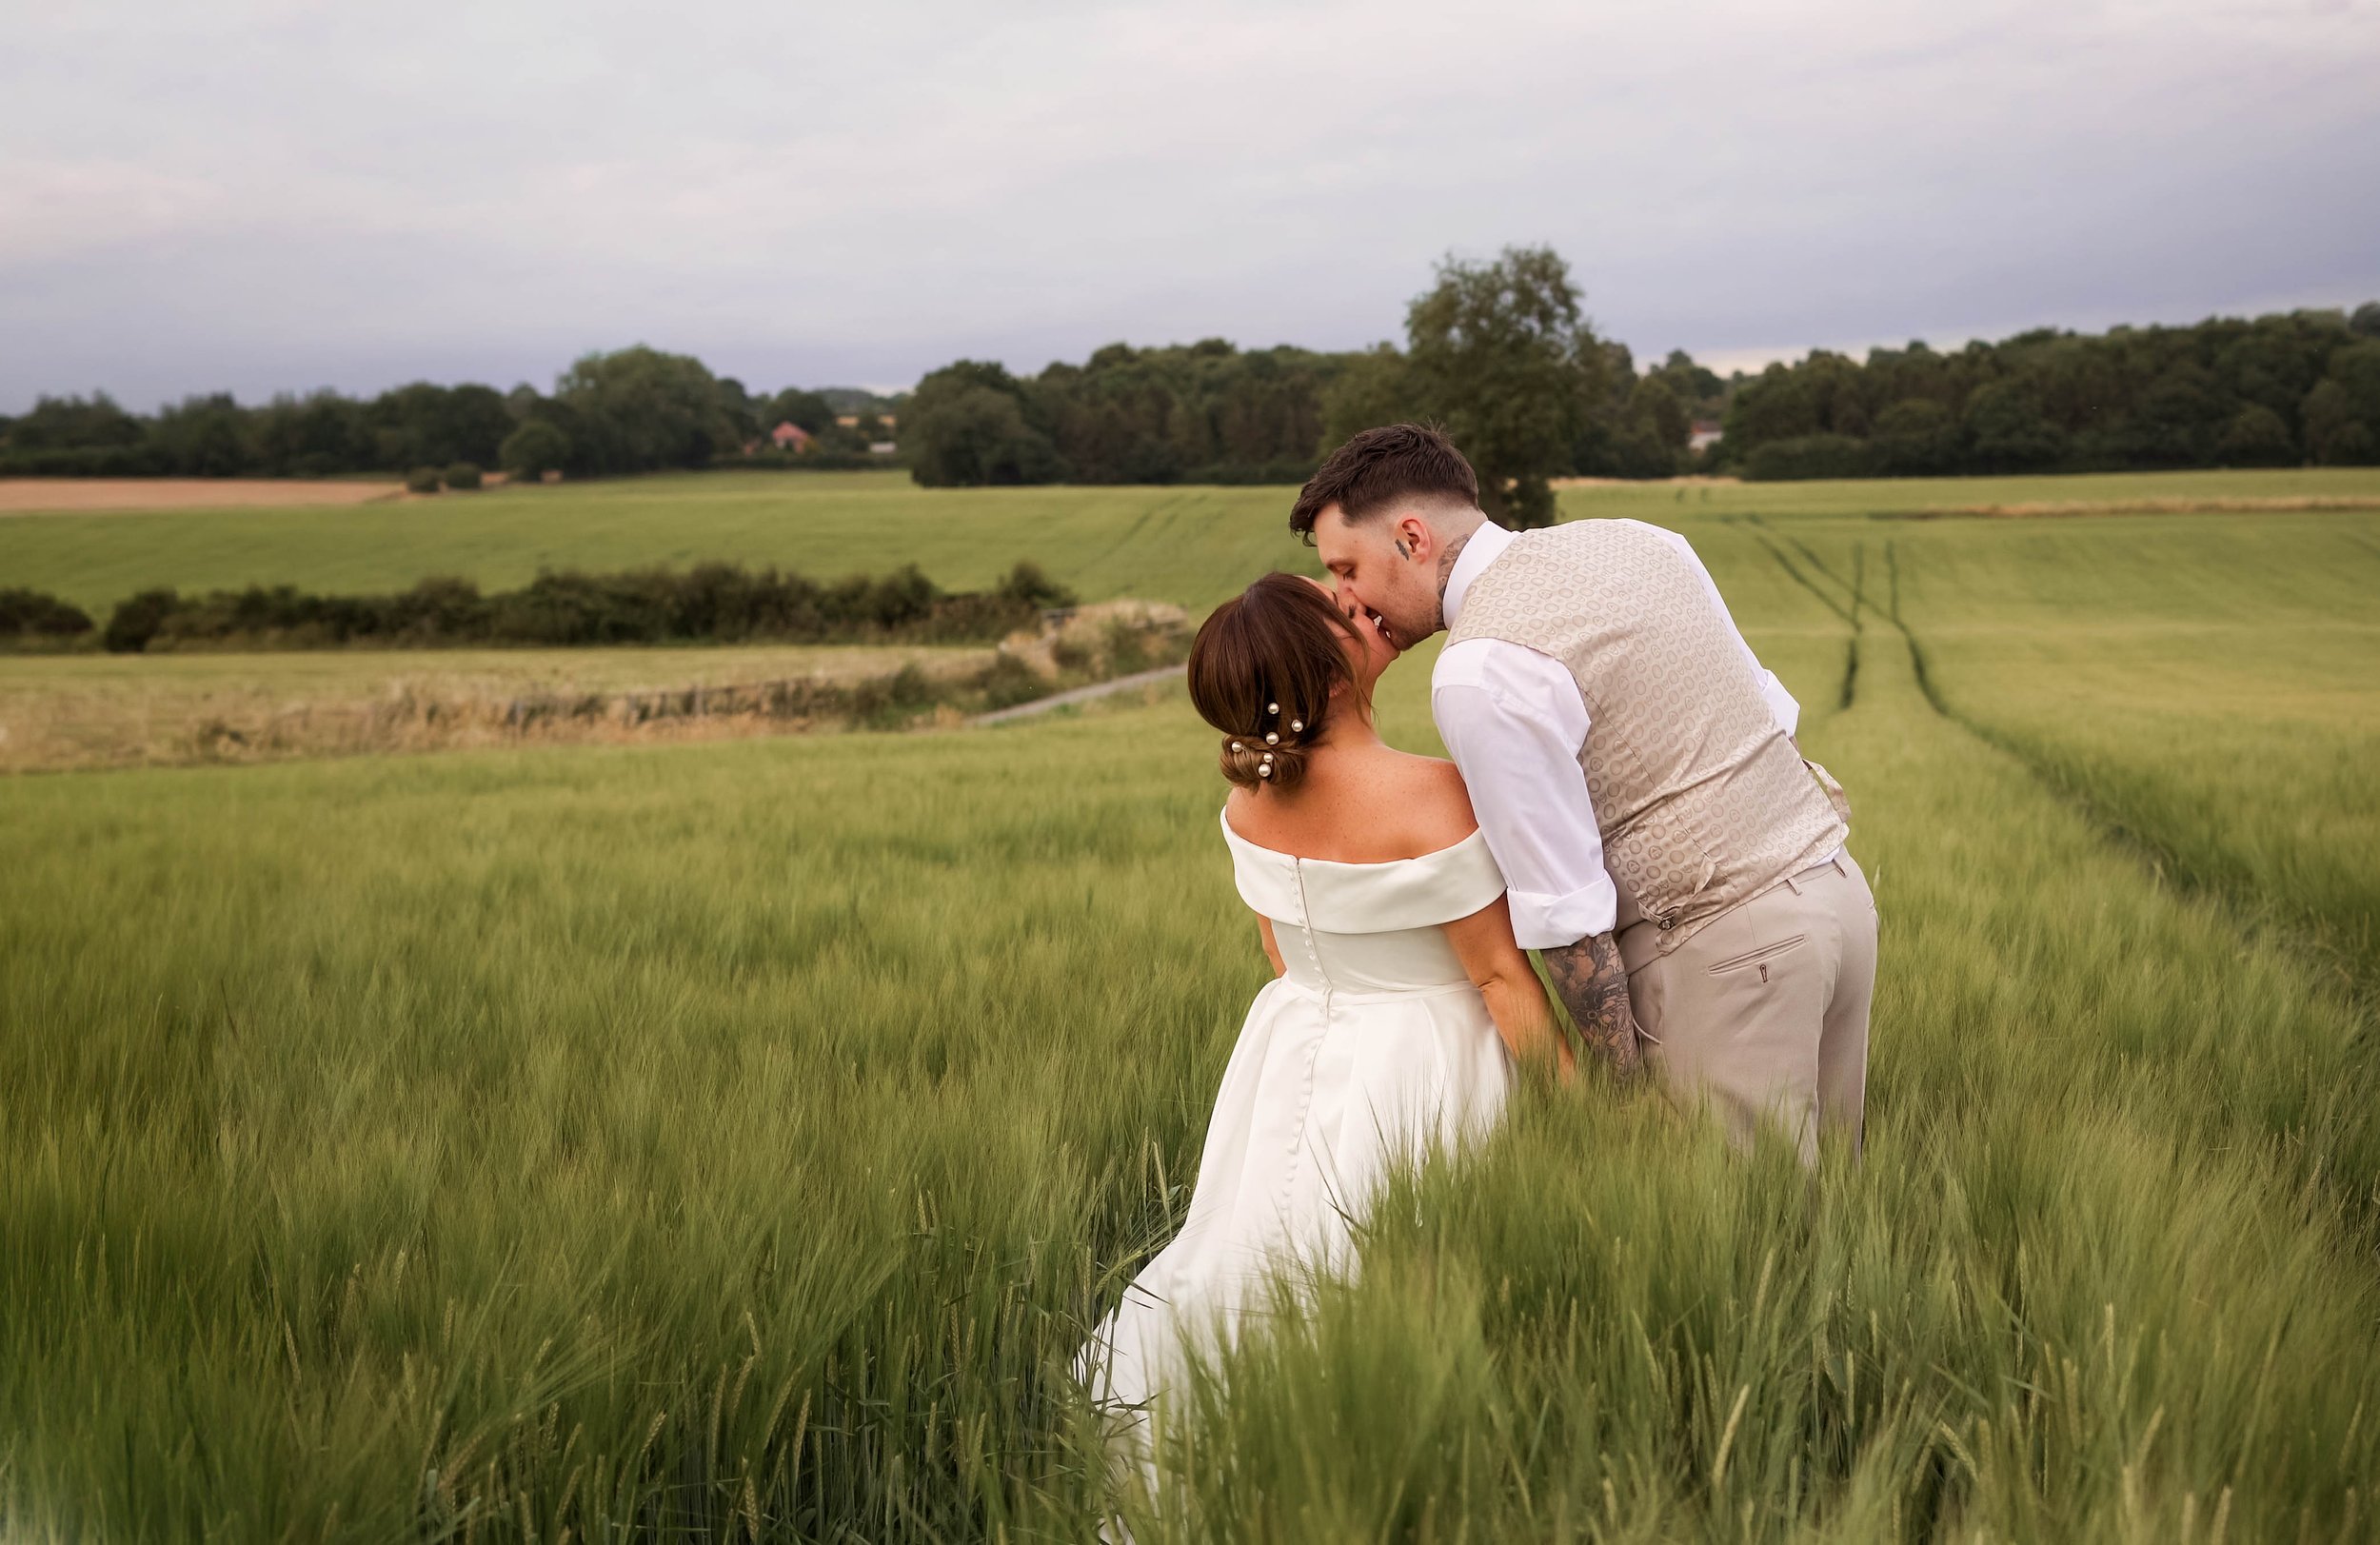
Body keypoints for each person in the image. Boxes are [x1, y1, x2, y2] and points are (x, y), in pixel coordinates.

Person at [1077, 570, 1564, 1447]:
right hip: (1424, 1060)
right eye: (1343, 612)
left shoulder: (1247, 802)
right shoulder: (1434, 794)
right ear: (1332, 677)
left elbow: (1282, 951)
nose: (1363, 603)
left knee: (1264, 1252)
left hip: (1293, 1049)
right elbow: (1499, 978)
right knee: (1402, 1268)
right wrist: (1590, 1112)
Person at [1301, 424, 1876, 1164]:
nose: (1344, 597)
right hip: (1840, 895)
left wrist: (1623, 1099)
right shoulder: (1645, 540)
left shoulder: (1481, 667)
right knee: (1837, 1209)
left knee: (1742, 1239)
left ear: (1411, 537)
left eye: (1347, 567)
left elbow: (1568, 915)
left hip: (1730, 953)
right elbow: (1770, 713)